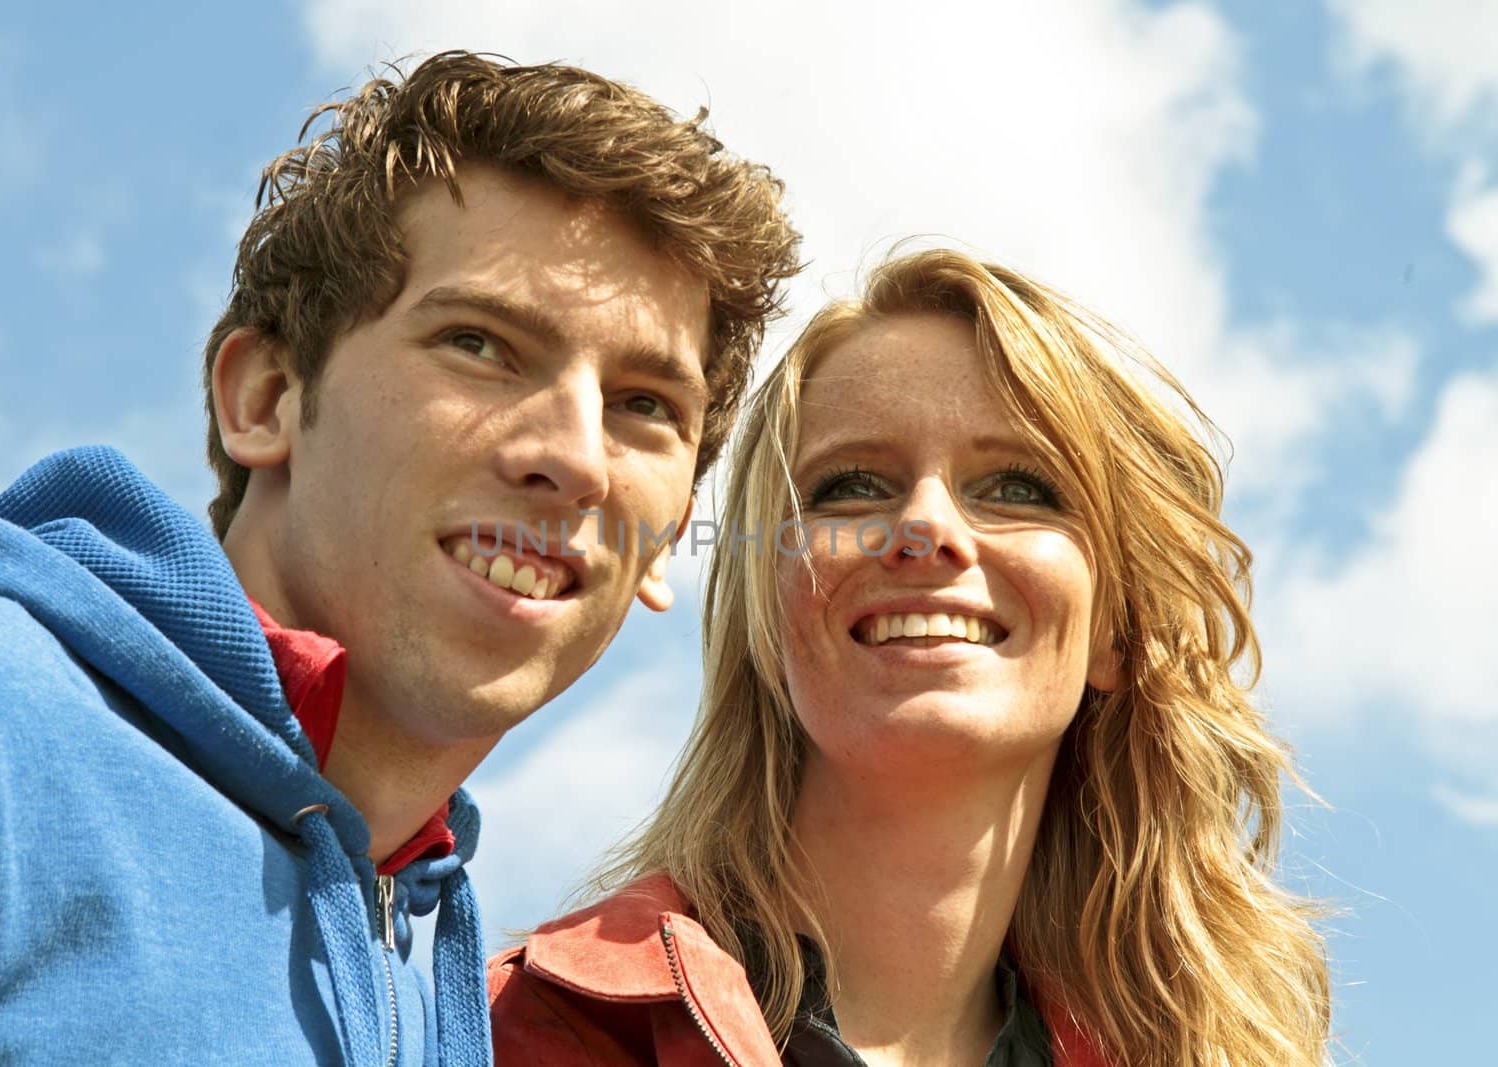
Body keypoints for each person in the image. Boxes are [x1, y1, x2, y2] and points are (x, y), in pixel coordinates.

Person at [0, 51, 798, 1065]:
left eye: (645, 406)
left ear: (664, 538)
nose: (577, 458)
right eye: (480, 343)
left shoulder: (439, 983)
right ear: (267, 398)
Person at [488, 248, 1332, 1066]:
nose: (926, 527)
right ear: (768, 611)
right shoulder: (507, 1034)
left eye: (1017, 487)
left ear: (1114, 631)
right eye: (852, 485)